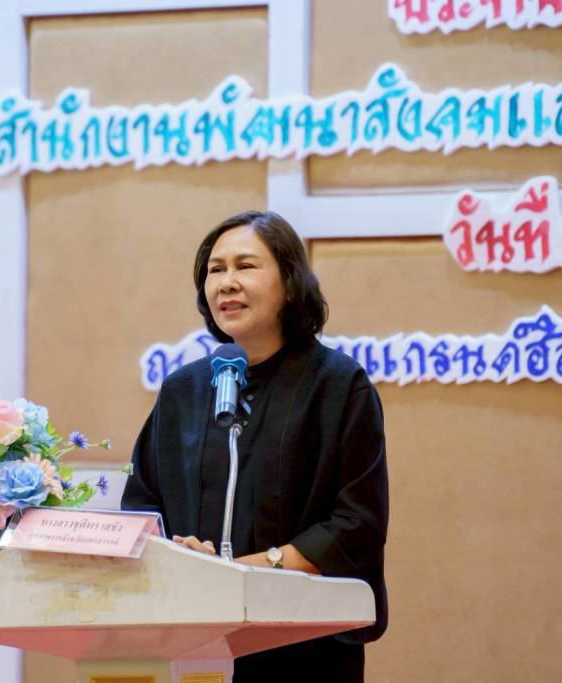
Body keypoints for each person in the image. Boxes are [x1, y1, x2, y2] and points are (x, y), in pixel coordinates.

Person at [122, 210, 388, 682]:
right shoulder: (183, 391)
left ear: (290, 283)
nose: (227, 282)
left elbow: (356, 524)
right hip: (189, 642)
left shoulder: (337, 385)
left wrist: (239, 571)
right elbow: (142, 508)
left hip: (303, 648)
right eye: (215, 270)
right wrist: (178, 558)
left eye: (245, 266)